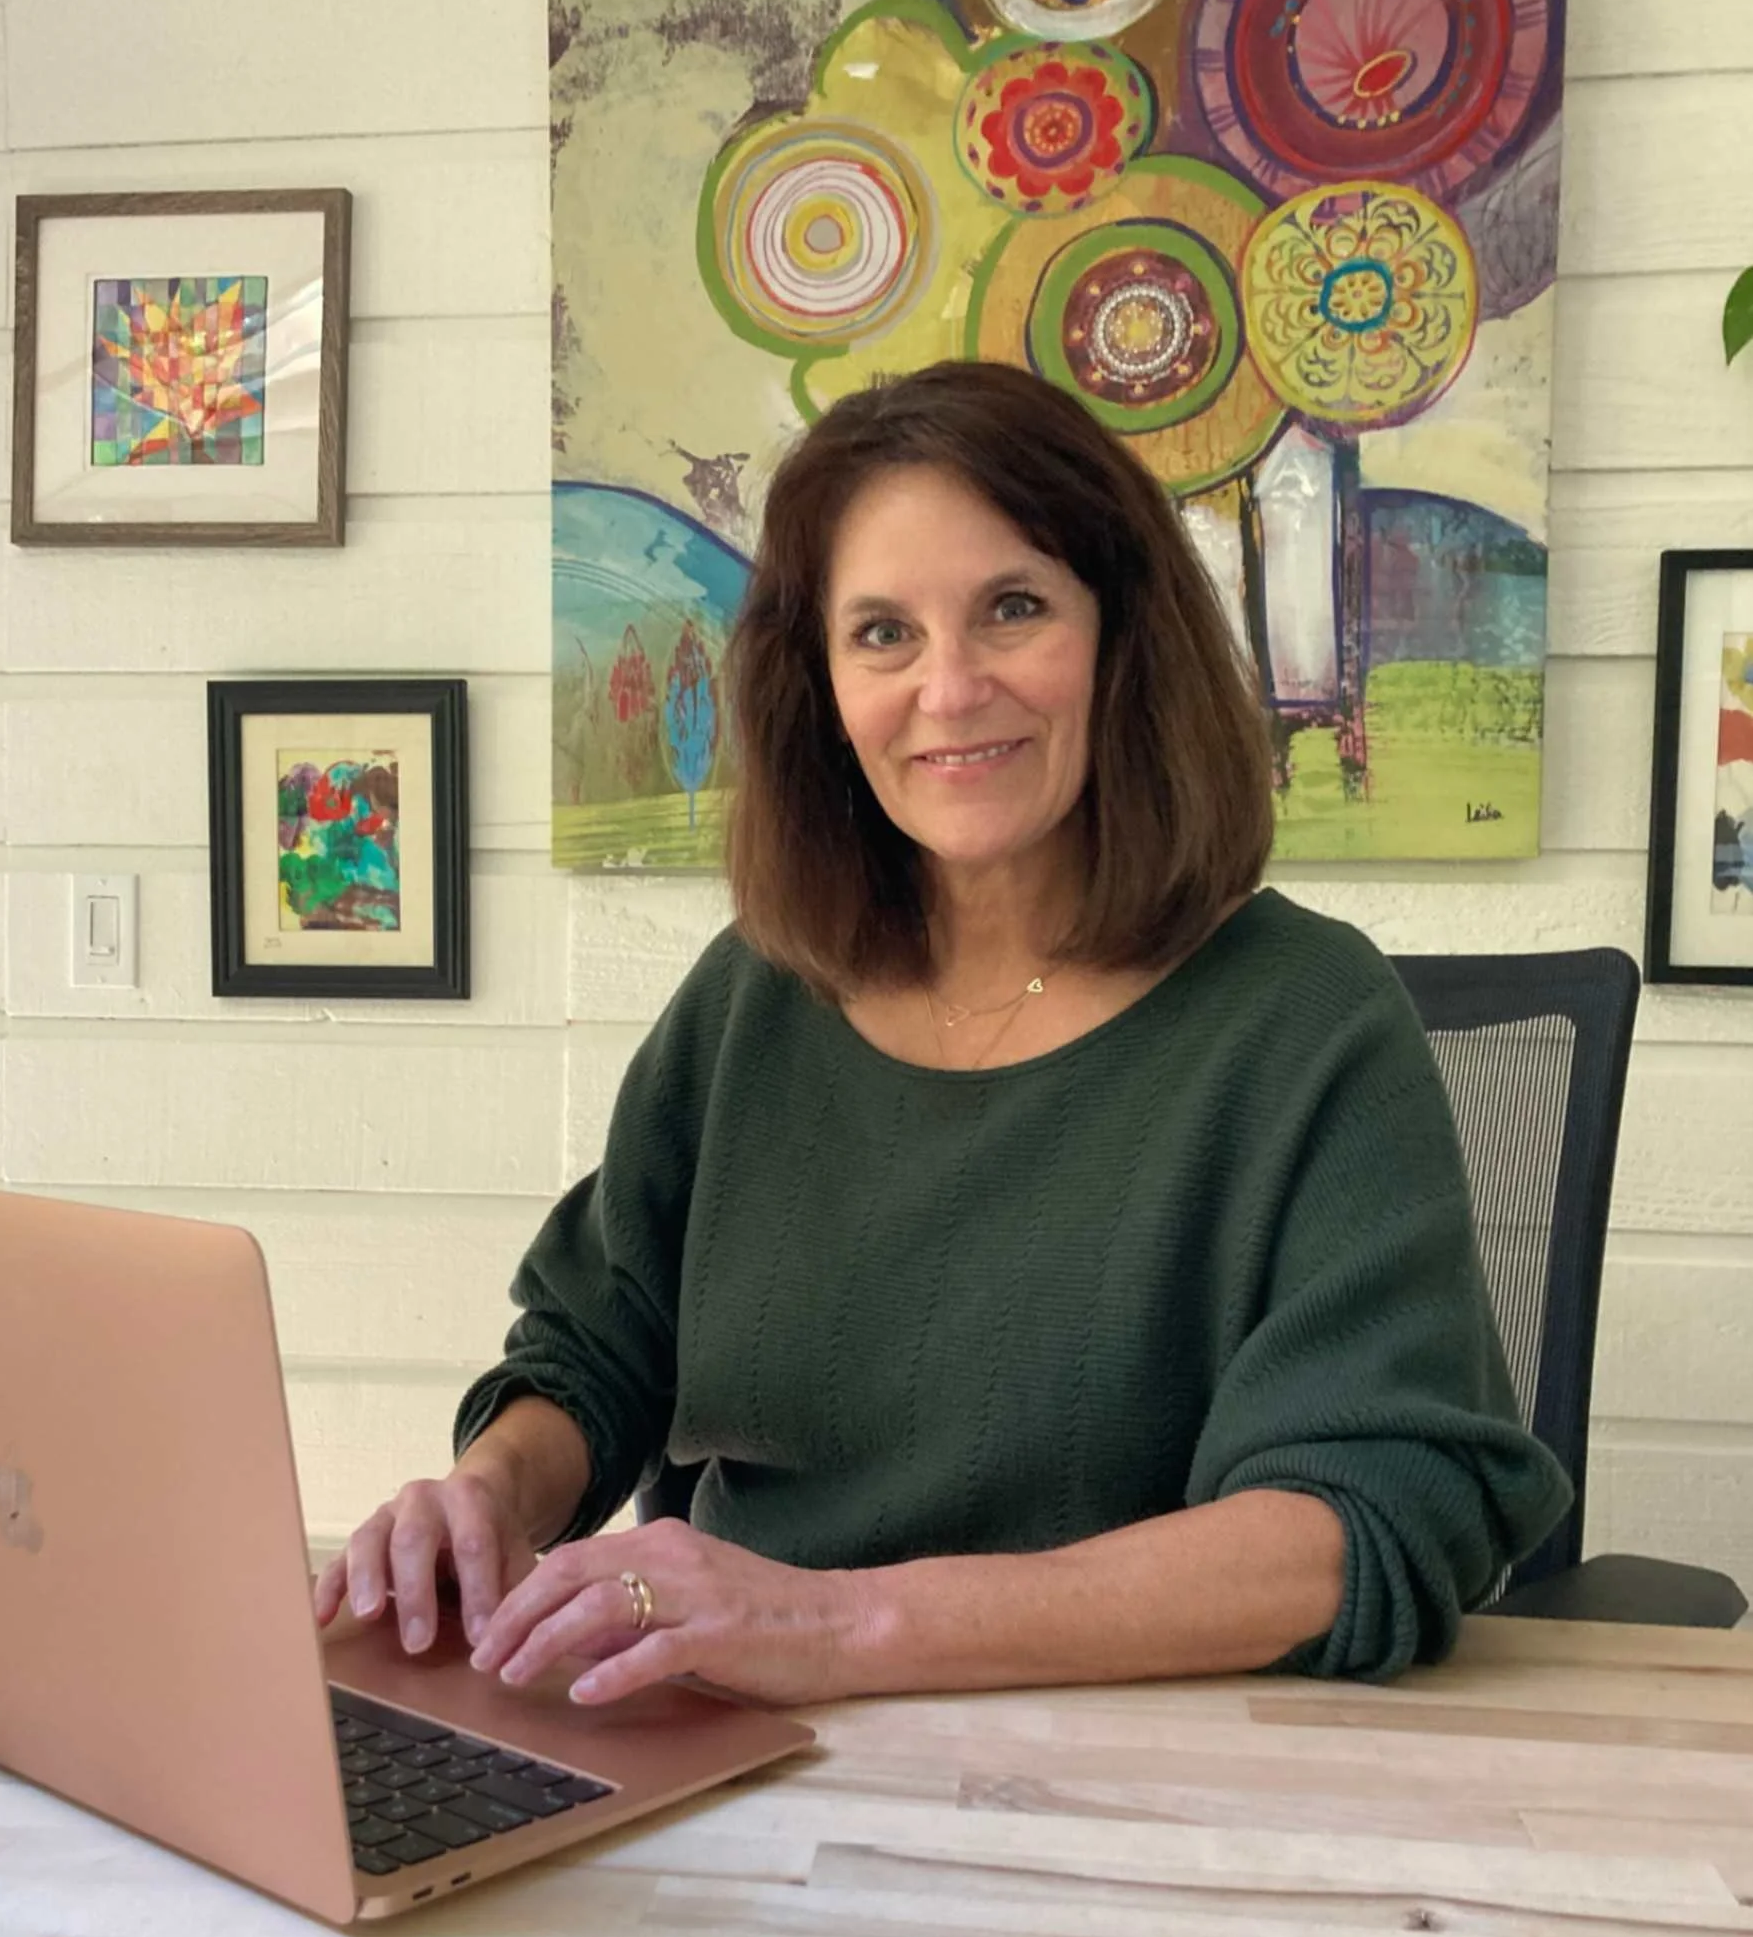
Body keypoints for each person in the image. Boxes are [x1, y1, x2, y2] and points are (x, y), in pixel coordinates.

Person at [314, 360, 1570, 1705]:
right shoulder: (756, 996)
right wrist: (487, 1496)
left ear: (1122, 636)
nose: (950, 688)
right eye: (882, 634)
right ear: (820, 685)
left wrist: (838, 1626)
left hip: (1134, 1757)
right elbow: (595, 1344)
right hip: (733, 1738)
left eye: (1012, 609)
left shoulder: (1306, 1020)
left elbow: (1360, 1521)